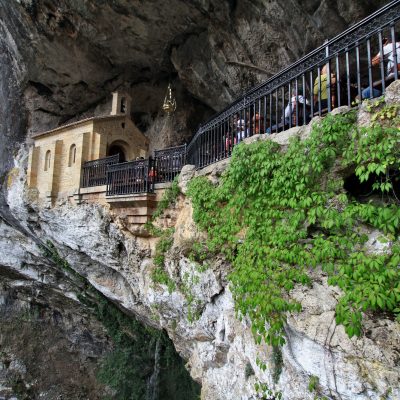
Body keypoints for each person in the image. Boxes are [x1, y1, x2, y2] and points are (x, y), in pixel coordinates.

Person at [362, 33, 400, 99]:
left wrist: (383, 46)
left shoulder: (390, 46)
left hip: (394, 77)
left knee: (365, 93)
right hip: (395, 76)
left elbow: (373, 62)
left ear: (388, 40)